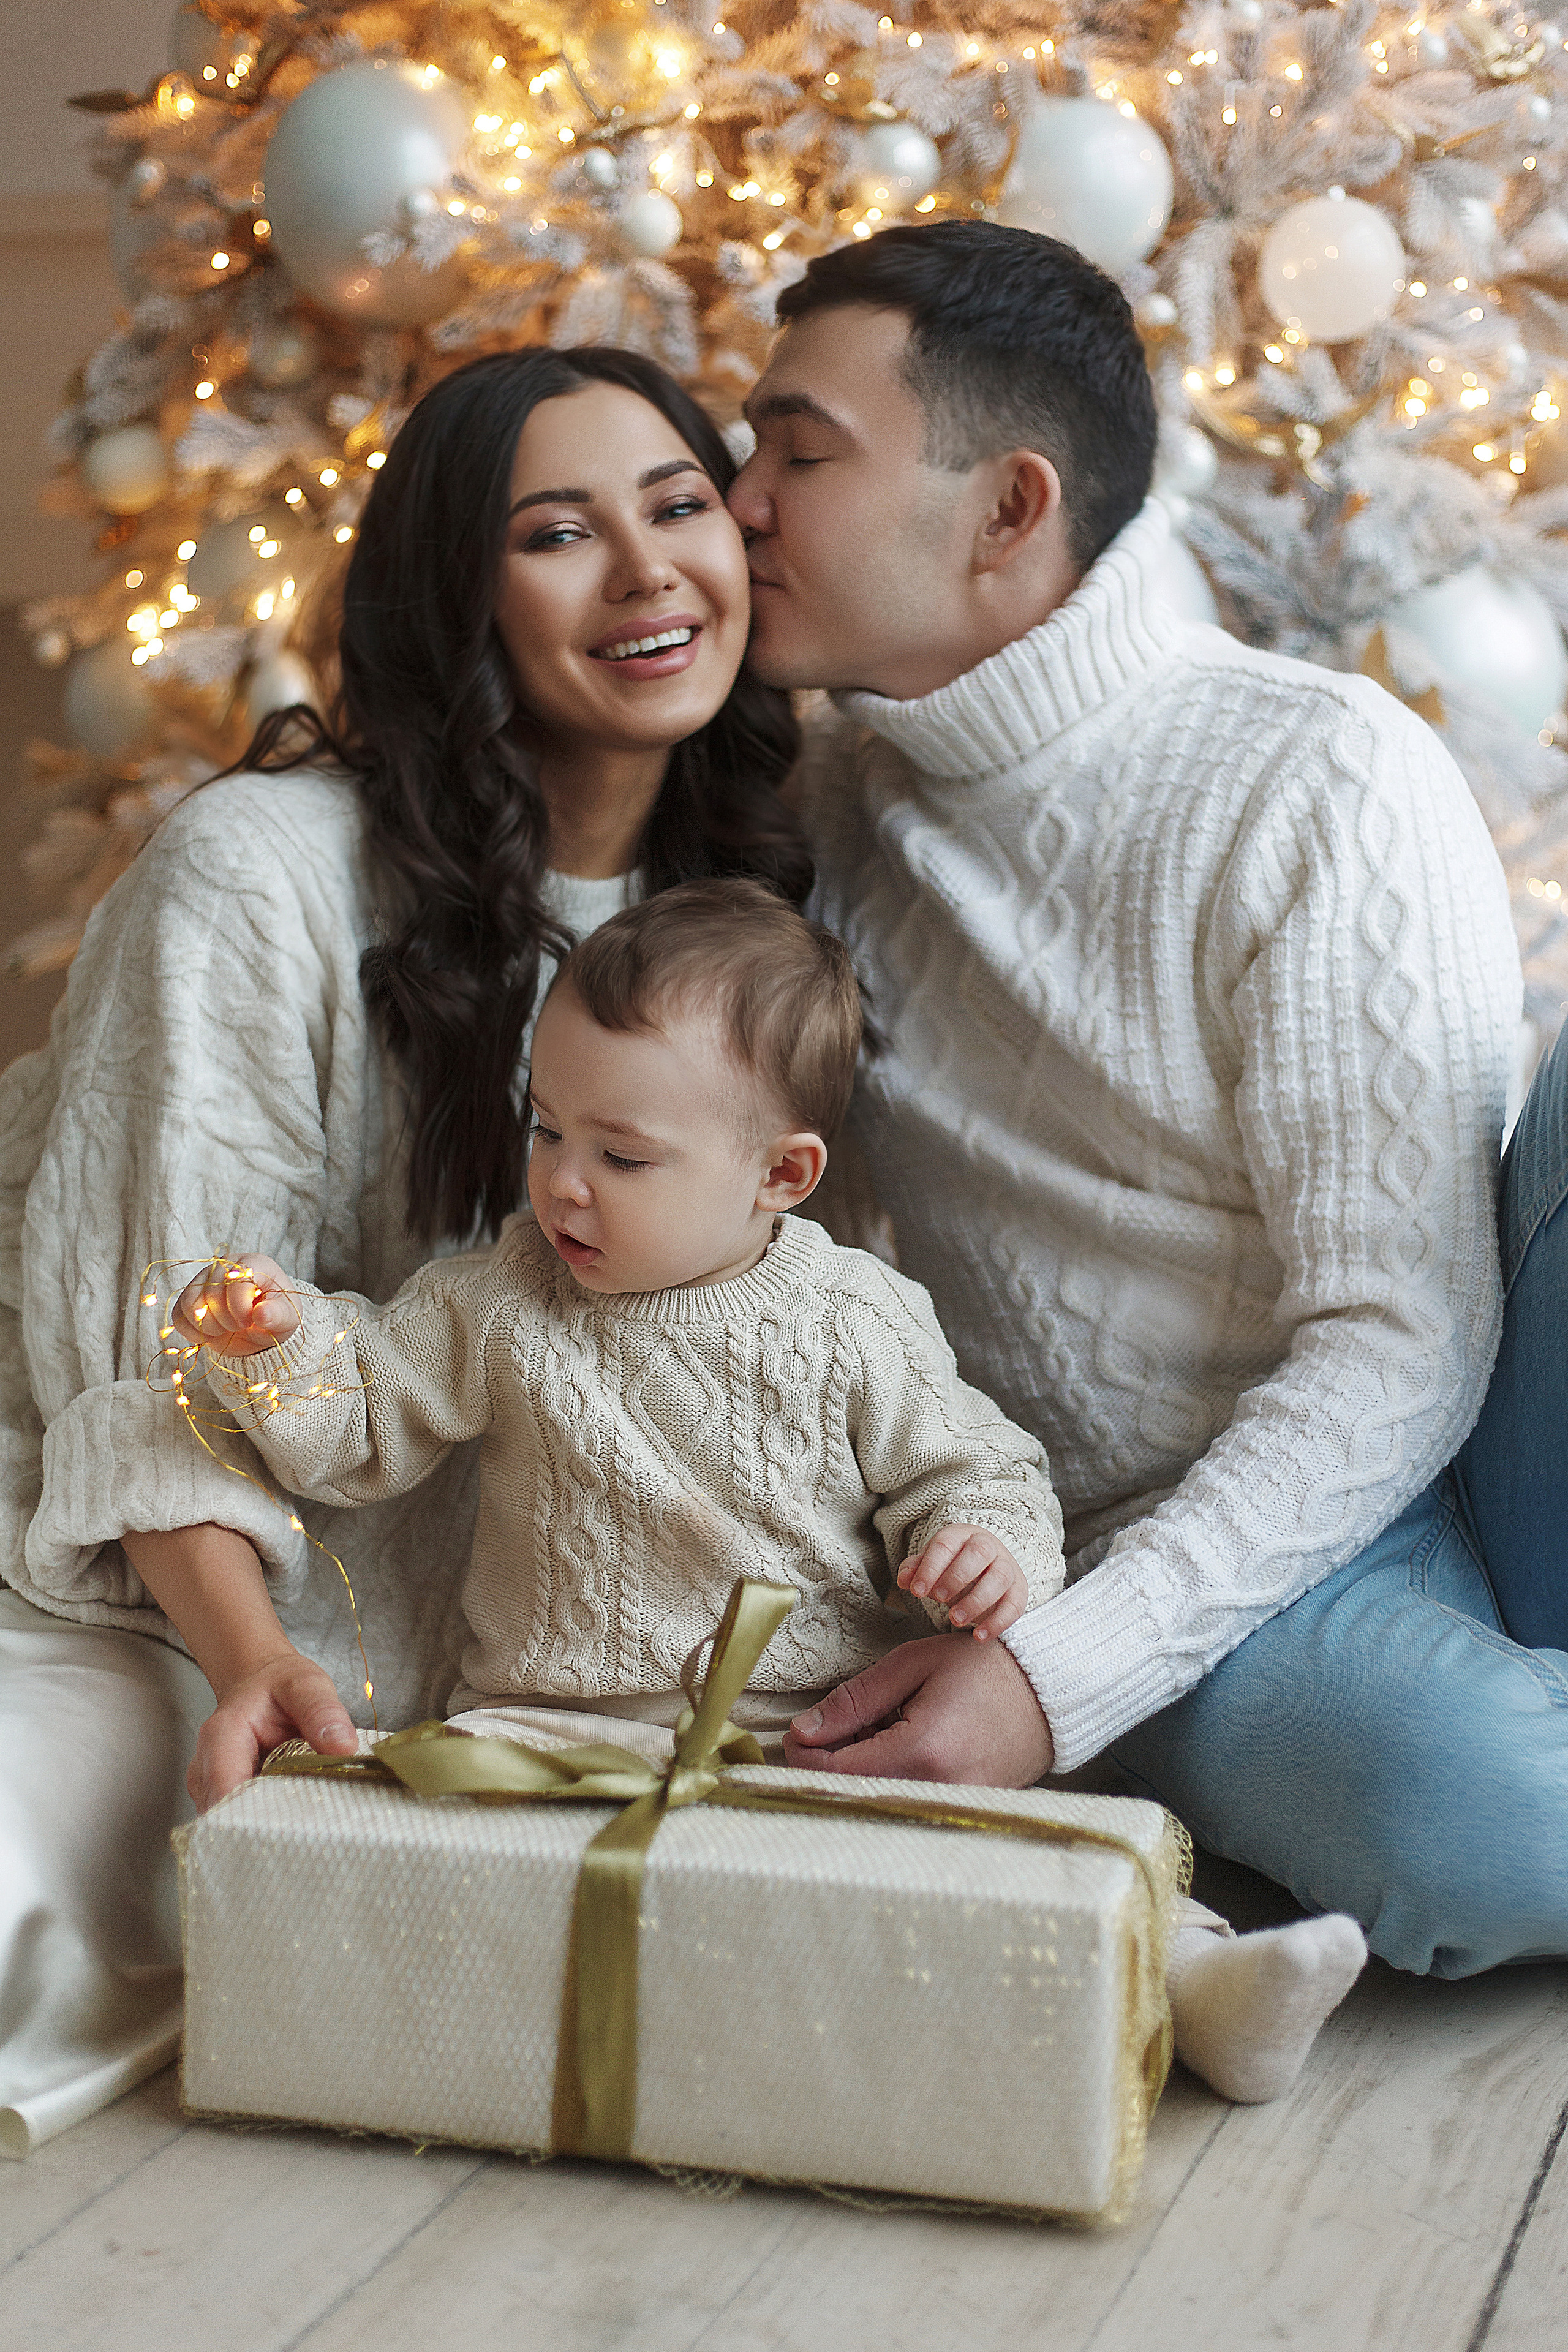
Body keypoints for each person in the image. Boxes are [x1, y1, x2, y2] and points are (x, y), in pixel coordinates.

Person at [726, 218, 1568, 1980]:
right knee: (1486, 1822)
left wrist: (1053, 1690)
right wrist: (1067, 1650)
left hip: (1418, 1454)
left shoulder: (1314, 773)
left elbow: (1403, 1338)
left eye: (799, 456)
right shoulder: (824, 794)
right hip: (1100, 1541)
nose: (740, 506)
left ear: (1011, 509)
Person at [173, 880, 1369, 2106]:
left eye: (621, 1154)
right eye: (547, 1131)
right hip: (548, 1720)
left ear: (780, 1175)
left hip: (816, 1727)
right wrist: (278, 1343)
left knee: (994, 1854)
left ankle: (1196, 1980)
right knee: (420, 1827)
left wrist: (979, 1545)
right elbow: (359, 1421)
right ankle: (388, 2010)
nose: (564, 1184)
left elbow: (976, 1466)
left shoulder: (853, 1317)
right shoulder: (500, 1303)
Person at [0, 344, 806, 2152]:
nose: (650, 571)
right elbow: (159, 1349)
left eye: (681, 507)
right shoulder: (262, 870)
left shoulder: (751, 919)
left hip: (522, 1651)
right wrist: (240, 1658)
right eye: (557, 534)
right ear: (459, 593)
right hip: (137, 1583)